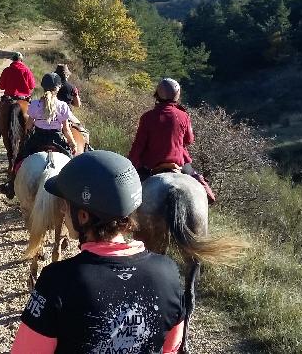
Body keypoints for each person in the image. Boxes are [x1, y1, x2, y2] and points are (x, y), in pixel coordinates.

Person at [10, 150, 185, 354]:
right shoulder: (168, 272)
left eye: (65, 206)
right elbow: (171, 348)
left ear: (83, 216)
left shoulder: (57, 280)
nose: (62, 211)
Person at [127, 78, 216, 205]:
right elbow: (189, 140)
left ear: (157, 94)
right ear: (177, 95)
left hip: (151, 164)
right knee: (195, 176)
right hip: (178, 162)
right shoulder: (183, 116)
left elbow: (138, 145)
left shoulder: (147, 117)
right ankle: (208, 194)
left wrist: (130, 164)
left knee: (129, 194)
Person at [0, 72, 79, 199]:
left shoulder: (35, 104)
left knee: (19, 160)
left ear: (43, 87)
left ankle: (11, 185)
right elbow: (66, 129)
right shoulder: (63, 106)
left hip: (38, 139)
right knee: (73, 165)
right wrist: (73, 143)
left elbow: (29, 126)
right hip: (57, 140)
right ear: (58, 88)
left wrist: (27, 135)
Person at [0, 51, 36, 142]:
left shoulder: (7, 70)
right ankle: (34, 133)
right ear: (21, 60)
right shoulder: (27, 70)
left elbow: (1, 86)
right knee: (35, 115)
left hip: (9, 98)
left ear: (12, 60)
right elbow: (32, 86)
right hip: (24, 98)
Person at [54, 64, 91, 150]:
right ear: (67, 75)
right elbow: (78, 104)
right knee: (84, 132)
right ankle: (86, 150)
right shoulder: (72, 87)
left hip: (51, 111)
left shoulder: (52, 86)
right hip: (67, 114)